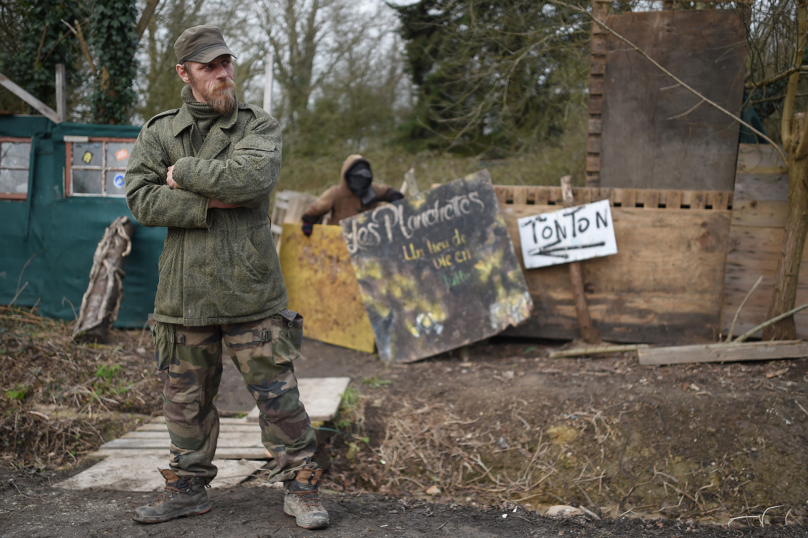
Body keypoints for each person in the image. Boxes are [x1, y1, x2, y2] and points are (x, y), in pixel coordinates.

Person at [124, 25, 328, 530]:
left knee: (278, 398)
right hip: (184, 292)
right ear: (184, 73)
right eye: (209, 66)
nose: (222, 74)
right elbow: (141, 200)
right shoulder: (157, 132)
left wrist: (184, 175)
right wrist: (214, 200)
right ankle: (188, 487)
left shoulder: (258, 126)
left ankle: (301, 485)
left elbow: (252, 181)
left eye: (226, 64)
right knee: (184, 402)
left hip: (250, 288)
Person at [300, 154, 404, 235]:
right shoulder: (336, 193)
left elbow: (388, 191)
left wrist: (396, 199)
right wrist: (308, 222)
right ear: (347, 175)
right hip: (340, 237)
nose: (360, 181)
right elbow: (317, 207)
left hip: (368, 237)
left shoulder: (373, 189)